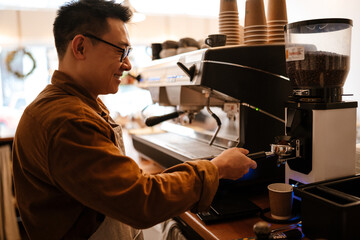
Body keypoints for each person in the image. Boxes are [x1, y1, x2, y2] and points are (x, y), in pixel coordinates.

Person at [12, 0, 257, 239]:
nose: (128, 64)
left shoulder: (76, 102)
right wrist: (218, 168)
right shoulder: (68, 120)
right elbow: (142, 201)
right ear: (81, 48)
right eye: (121, 51)